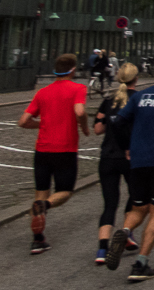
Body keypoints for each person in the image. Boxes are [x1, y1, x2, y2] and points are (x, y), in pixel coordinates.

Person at [105, 58, 154, 280]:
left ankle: (125, 231)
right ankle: (140, 264)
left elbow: (118, 122)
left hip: (138, 158)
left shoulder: (141, 95)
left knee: (139, 208)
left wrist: (127, 146)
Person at [18, 53, 89, 255]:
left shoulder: (42, 92)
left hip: (42, 150)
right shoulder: (78, 88)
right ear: (73, 69)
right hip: (64, 149)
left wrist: (42, 124)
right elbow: (80, 111)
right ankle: (45, 205)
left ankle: (38, 239)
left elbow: (23, 121)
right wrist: (84, 127)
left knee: (40, 190)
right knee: (65, 191)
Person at [93, 63, 140, 265]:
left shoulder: (108, 100)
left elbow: (97, 129)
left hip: (108, 157)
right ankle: (126, 233)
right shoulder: (138, 99)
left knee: (109, 204)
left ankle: (102, 249)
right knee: (137, 196)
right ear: (135, 79)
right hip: (131, 157)